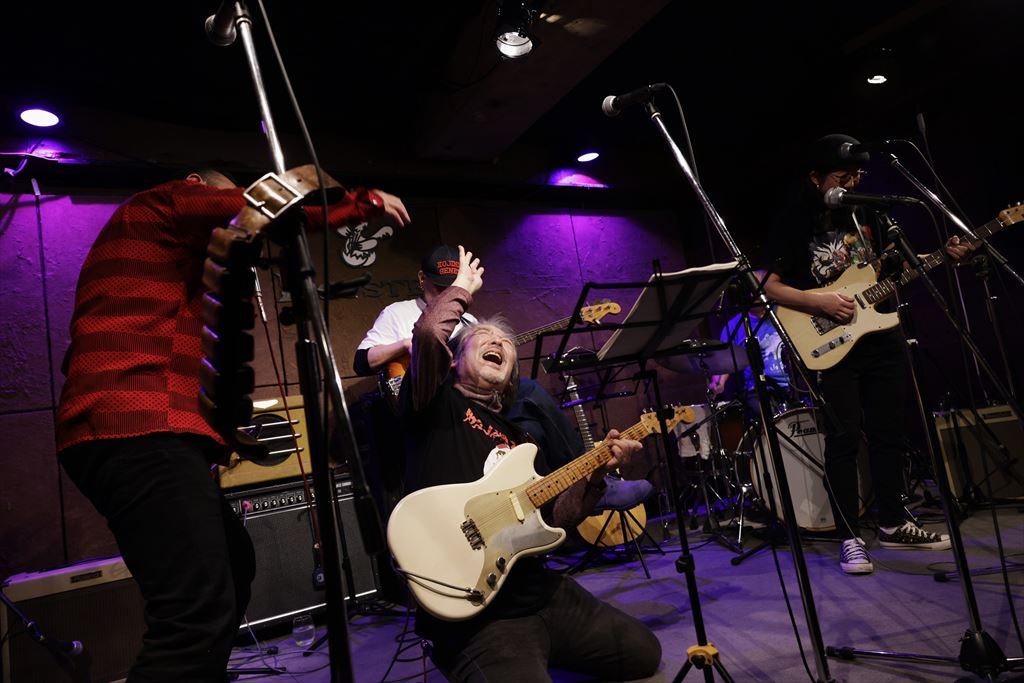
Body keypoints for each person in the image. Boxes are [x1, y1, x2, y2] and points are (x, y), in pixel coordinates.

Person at [55, 167, 409, 682]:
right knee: (193, 610)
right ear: (197, 183)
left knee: (232, 564)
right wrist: (361, 204)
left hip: (135, 427)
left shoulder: (176, 272)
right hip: (135, 423)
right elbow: (258, 207)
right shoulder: (163, 202)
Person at [398, 245, 662, 682]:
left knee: (644, 653)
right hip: (481, 620)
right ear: (454, 360)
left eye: (505, 342)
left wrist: (596, 475)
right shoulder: (435, 404)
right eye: (483, 338)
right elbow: (427, 336)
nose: (497, 342)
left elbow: (556, 518)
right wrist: (461, 288)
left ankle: (545, 649)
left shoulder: (522, 441)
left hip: (540, 592)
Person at [764, 134, 969, 574]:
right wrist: (818, 302)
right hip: (832, 343)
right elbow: (769, 287)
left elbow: (892, 266)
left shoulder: (867, 214)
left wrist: (942, 255)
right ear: (816, 177)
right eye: (842, 177)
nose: (851, 183)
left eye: (856, 176)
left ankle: (893, 523)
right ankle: (849, 537)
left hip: (881, 334)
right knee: (843, 438)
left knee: (889, 432)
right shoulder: (795, 220)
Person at [353, 244, 477, 381]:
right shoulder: (397, 312)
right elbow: (361, 364)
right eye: (440, 286)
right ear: (422, 278)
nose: (446, 293)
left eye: (452, 287)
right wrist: (405, 345)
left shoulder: (470, 321)